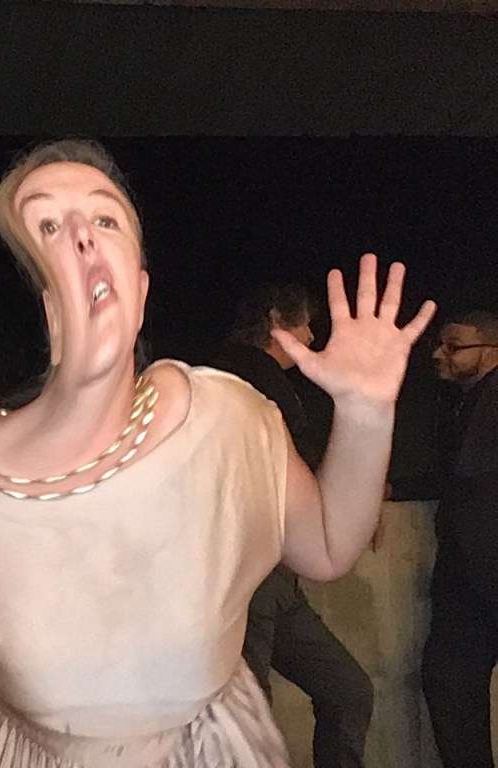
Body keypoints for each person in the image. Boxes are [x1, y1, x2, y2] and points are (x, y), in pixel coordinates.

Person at [0, 139, 435, 767]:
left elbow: (329, 546)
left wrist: (367, 413)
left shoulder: (228, 426)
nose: (83, 236)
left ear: (141, 288)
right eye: (49, 226)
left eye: (105, 218)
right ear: (41, 303)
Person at [214, 284, 374, 768]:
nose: (310, 337)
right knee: (251, 716)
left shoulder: (236, 373)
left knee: (347, 690)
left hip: (276, 574)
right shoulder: (250, 376)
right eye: (303, 324)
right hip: (250, 573)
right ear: (275, 322)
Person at [391, 311, 498, 768]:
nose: (439, 354)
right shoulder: (461, 402)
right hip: (468, 576)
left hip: (479, 574)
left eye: (454, 347)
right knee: (449, 686)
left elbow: (464, 473)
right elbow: (451, 475)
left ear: (490, 352)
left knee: (450, 685)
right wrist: (392, 488)